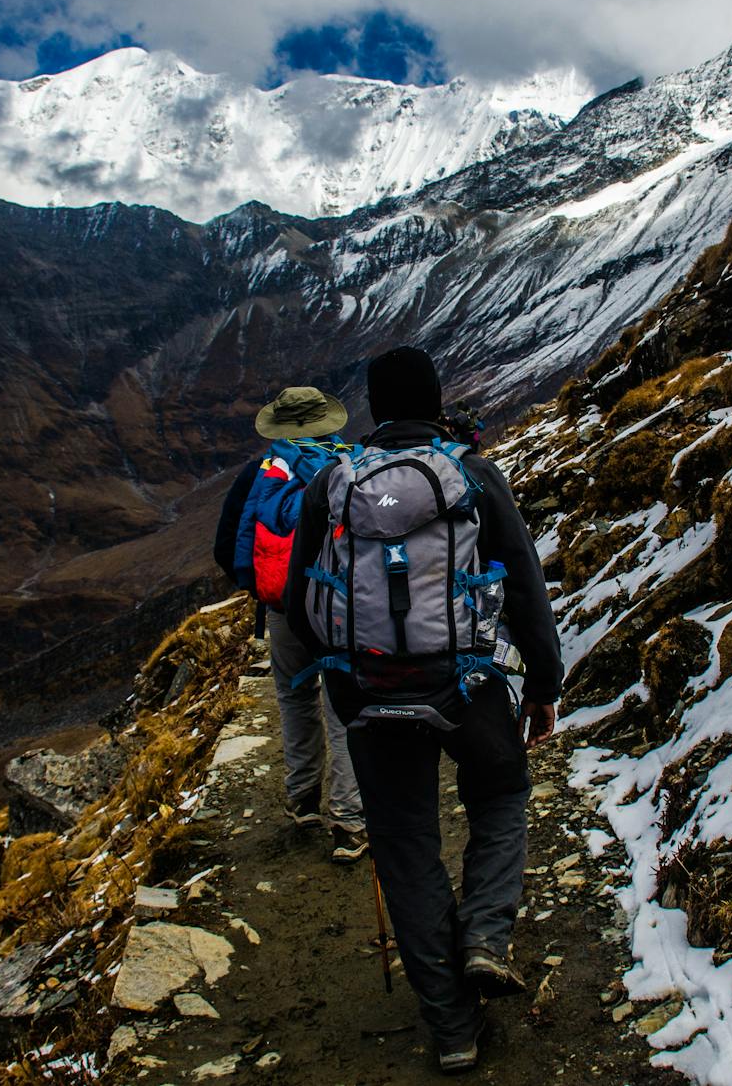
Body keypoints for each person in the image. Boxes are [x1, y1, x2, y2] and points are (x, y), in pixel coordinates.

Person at [286, 346, 562, 1074]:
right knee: (501, 794)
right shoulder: (472, 476)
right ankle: (484, 938)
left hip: (371, 696)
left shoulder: (331, 485)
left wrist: (343, 681)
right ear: (438, 401)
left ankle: (452, 1030)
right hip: (465, 685)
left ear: (375, 410)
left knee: (406, 846)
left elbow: (299, 600)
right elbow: (525, 584)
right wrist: (543, 682)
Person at [218, 385, 368, 864]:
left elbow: (227, 545)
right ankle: (349, 817)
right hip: (342, 607)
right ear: (329, 421)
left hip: (284, 608)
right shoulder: (355, 464)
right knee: (343, 704)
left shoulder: (261, 472)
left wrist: (264, 588)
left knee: (293, 696)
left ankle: (303, 799)